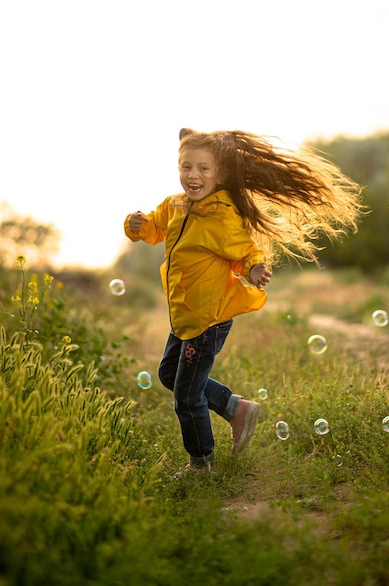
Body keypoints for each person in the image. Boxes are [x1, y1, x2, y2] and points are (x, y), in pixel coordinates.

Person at [124, 128, 363, 473]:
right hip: (185, 317)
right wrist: (135, 225)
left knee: (186, 396)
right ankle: (235, 408)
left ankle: (201, 465)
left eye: (204, 169)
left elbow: (244, 249)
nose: (193, 175)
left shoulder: (221, 214)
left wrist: (253, 268)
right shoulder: (175, 206)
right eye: (186, 166)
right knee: (167, 373)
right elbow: (154, 227)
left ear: (220, 174)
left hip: (207, 318)